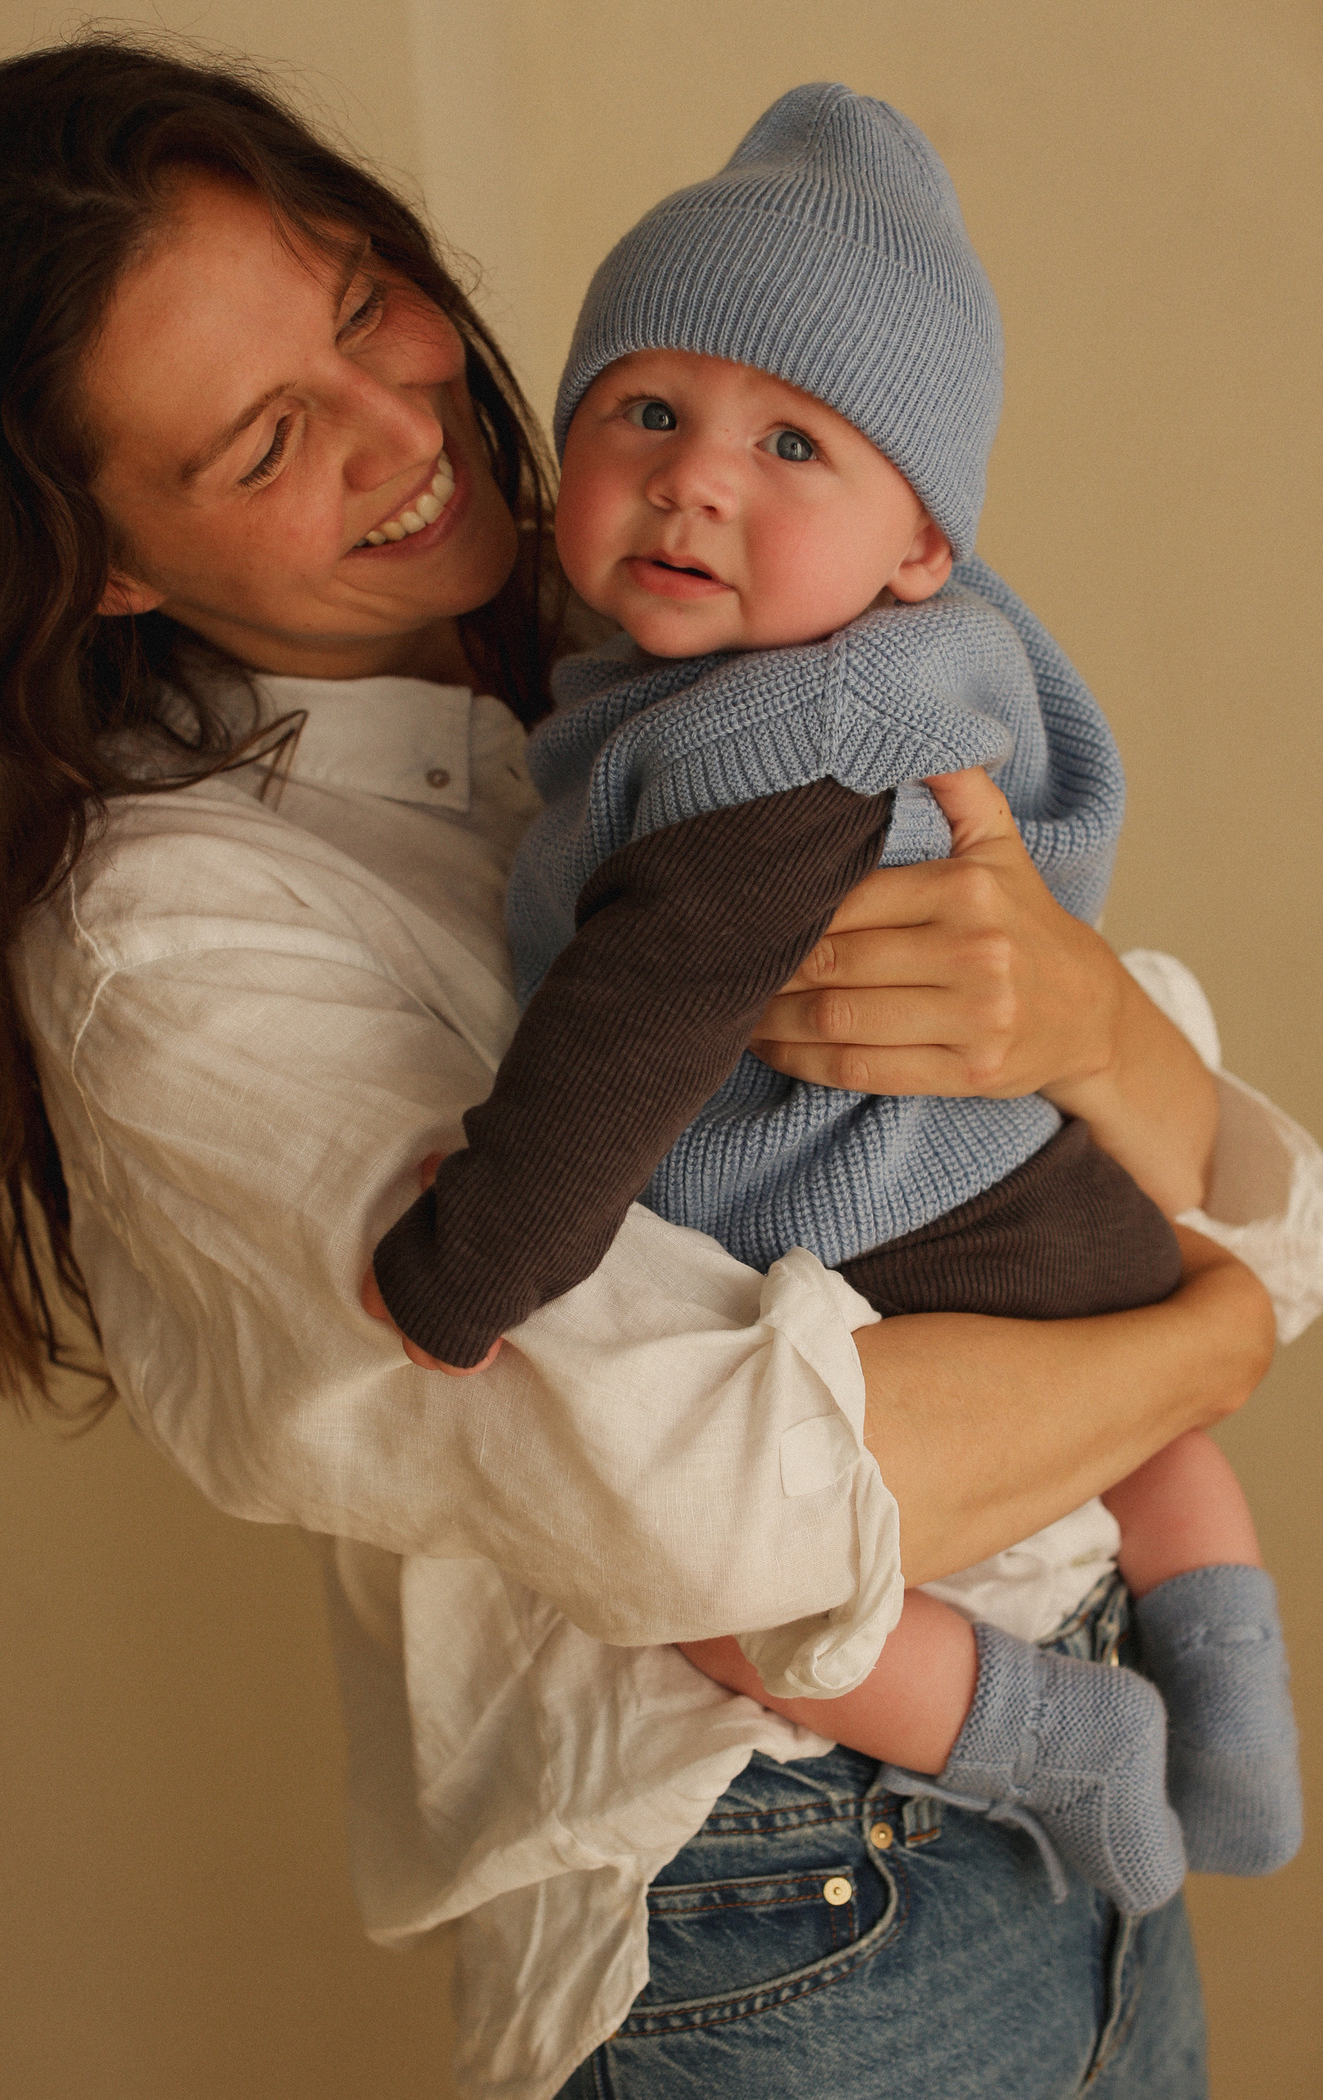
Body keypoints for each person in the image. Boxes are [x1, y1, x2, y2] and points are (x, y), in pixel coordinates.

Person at [0, 40, 1314, 2100]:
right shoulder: (170, 935)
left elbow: (1181, 1151)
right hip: (783, 1906)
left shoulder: (658, 650)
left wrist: (1091, 1028)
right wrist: (1212, 1338)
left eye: (362, 306)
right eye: (268, 438)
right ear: (99, 560)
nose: (405, 426)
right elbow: (718, 1508)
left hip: (1074, 1773)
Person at [364, 87, 1303, 1921]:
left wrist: (469, 1265)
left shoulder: (768, 753)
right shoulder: (850, 676)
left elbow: (623, 1040)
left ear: (919, 546)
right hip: (1054, 1194)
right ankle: (1236, 1697)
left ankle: (1057, 1737)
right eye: (647, 411)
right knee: (1157, 1428)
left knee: (703, 1584)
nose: (696, 479)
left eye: (794, 442)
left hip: (908, 1225)